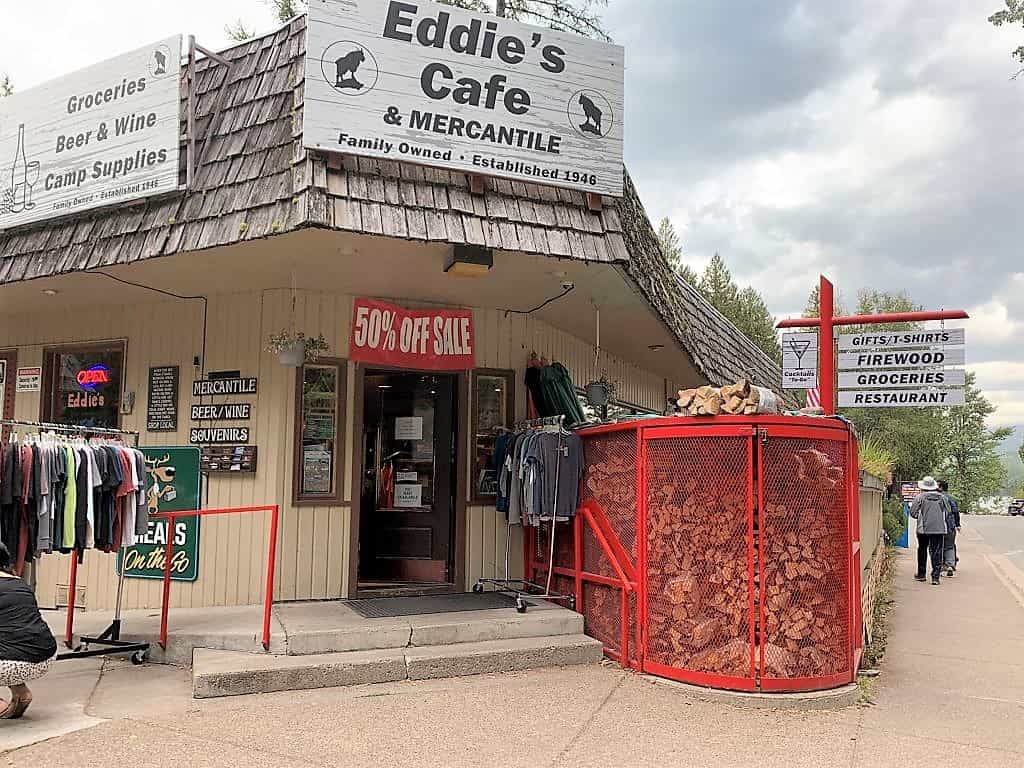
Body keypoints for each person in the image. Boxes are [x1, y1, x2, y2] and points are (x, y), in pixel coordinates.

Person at [0, 542, 57, 719]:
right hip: (46, 657)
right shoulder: (19, 583)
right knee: (13, 638)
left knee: (11, 642)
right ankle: (21, 693)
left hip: (10, 665)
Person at [909, 476, 950, 585]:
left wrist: (921, 516)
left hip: (923, 529)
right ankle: (935, 577)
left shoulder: (919, 498)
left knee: (922, 550)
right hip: (939, 529)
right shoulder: (943, 498)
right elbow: (948, 511)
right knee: (937, 552)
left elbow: (913, 513)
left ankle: (921, 574)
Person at [939, 480, 961, 577]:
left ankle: (942, 565)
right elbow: (956, 512)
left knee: (939, 545)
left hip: (938, 526)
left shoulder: (937, 498)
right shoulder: (952, 498)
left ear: (940, 488)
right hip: (950, 525)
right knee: (950, 545)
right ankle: (950, 565)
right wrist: (957, 524)